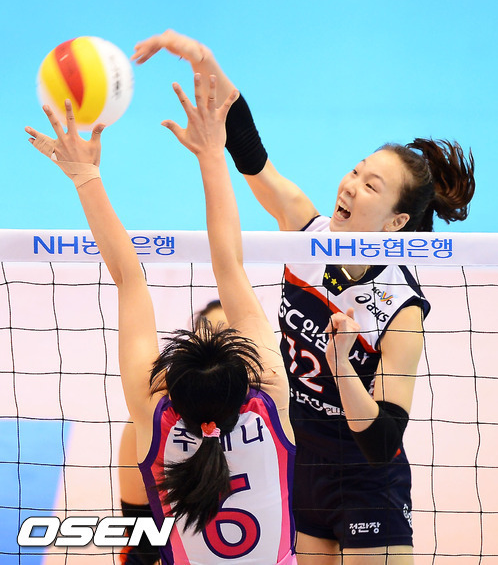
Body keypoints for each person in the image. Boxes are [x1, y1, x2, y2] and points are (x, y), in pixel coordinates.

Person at [132, 31, 475, 564]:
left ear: (396, 222)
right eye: (356, 170)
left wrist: (342, 366)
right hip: (299, 458)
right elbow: (251, 156)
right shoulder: (308, 233)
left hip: (366, 476)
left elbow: (382, 439)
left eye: (372, 186)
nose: (350, 185)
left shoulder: (400, 308)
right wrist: (204, 60)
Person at [25, 76, 296, 564]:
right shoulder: (271, 400)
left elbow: (130, 279)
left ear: (171, 385)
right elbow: (229, 265)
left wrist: (85, 176)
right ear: (248, 377)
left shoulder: (156, 420)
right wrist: (212, 153)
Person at [118, 299, 227, 565]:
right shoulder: (149, 420)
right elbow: (141, 532)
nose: (216, 350)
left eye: (227, 338)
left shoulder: (267, 416)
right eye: (209, 337)